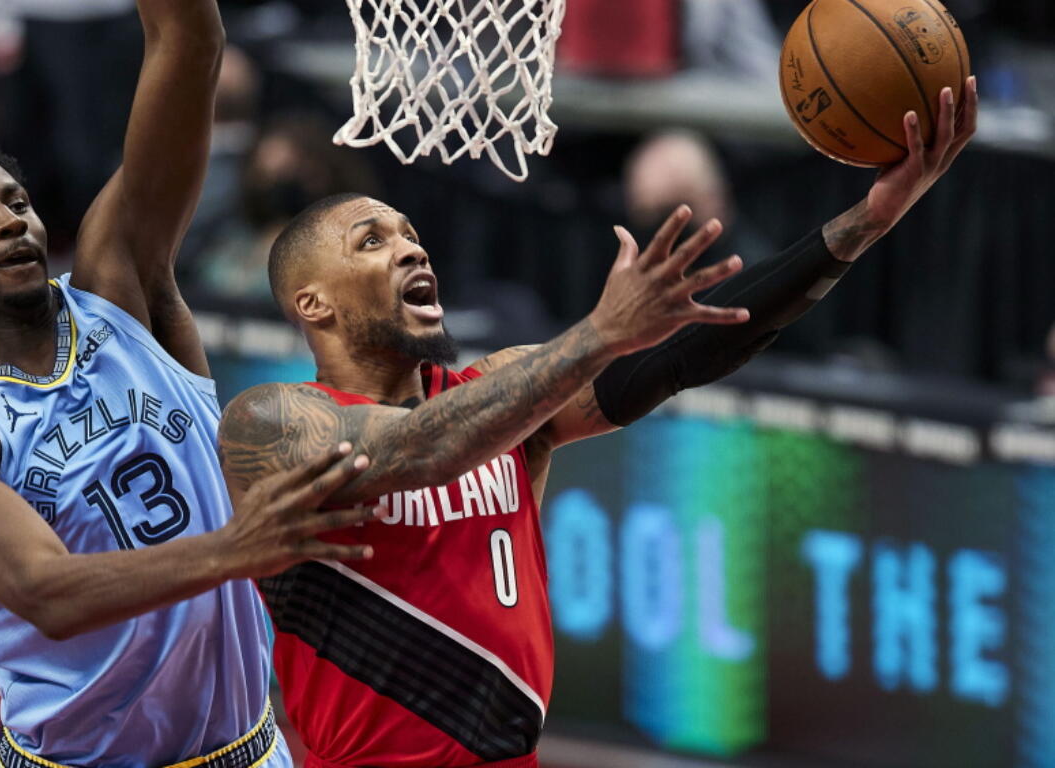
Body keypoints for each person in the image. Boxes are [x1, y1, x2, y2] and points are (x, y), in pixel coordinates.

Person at [218, 79, 978, 768]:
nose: (412, 246)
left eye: (411, 232)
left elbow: (687, 353)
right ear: (311, 304)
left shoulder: (502, 391)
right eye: (372, 241)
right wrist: (597, 336)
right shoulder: (274, 422)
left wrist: (867, 222)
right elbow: (421, 448)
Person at [0, 2, 382, 767]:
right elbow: (46, 592)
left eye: (17, 202)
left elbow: (189, 41)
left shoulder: (120, 285)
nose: (11, 221)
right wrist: (236, 548)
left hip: (244, 748)